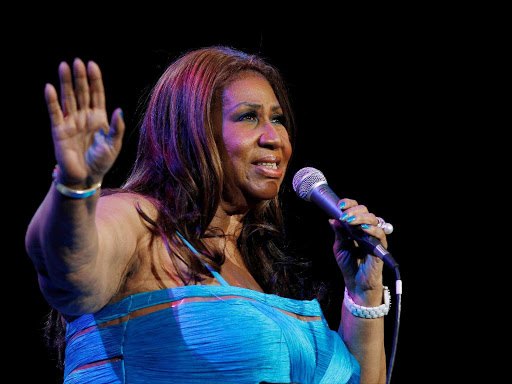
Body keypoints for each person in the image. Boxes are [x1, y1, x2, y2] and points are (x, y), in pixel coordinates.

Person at [25, 46, 391, 384]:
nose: (274, 137)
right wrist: (75, 188)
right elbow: (69, 275)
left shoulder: (259, 271)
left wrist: (364, 293)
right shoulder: (140, 221)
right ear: (193, 131)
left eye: (277, 119)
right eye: (249, 117)